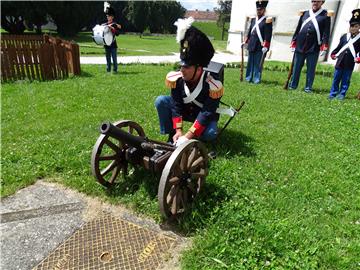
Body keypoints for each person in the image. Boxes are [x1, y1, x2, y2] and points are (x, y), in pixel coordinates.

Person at [154, 17, 224, 146]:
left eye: (186, 67)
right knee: (161, 101)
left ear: (199, 69)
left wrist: (188, 136)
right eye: (181, 65)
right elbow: (176, 106)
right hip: (186, 111)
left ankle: (192, 139)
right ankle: (172, 135)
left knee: (210, 134)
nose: (182, 70)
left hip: (202, 115)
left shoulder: (213, 84)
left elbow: (207, 112)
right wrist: (179, 130)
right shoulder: (178, 79)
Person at [289, 0, 332, 93]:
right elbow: (298, 28)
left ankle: (308, 88)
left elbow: (326, 32)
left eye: (317, 1)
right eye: (313, 1)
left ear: (322, 2)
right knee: (296, 67)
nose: (315, 3)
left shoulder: (325, 15)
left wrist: (324, 46)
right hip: (300, 45)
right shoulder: (305, 14)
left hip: (313, 46)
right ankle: (293, 85)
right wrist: (294, 41)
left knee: (311, 69)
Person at [328, 9, 360, 100]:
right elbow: (339, 47)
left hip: (350, 62)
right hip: (340, 61)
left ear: (359, 27)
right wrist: (333, 53)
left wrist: (358, 58)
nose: (353, 28)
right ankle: (333, 93)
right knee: (336, 78)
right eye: (352, 26)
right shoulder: (344, 36)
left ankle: (342, 94)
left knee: (346, 80)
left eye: (356, 26)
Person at [243, 0, 273, 84]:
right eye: (258, 9)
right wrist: (246, 40)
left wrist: (266, 46)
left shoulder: (267, 20)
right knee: (250, 63)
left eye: (260, 9)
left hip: (260, 46)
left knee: (257, 64)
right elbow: (250, 31)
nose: (259, 11)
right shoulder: (253, 19)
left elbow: (268, 34)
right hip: (252, 44)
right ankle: (248, 78)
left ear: (264, 10)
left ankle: (256, 79)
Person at [103, 2, 121, 73]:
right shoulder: (105, 25)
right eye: (107, 16)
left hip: (113, 44)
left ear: (112, 17)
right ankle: (108, 70)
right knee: (108, 58)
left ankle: (115, 70)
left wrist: (112, 28)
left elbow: (118, 34)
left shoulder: (114, 24)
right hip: (106, 44)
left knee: (114, 58)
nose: (108, 17)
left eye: (109, 16)